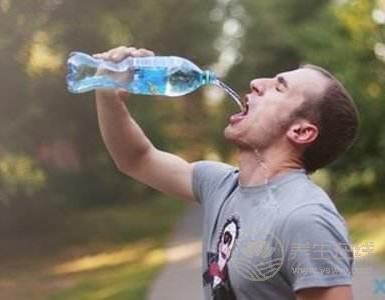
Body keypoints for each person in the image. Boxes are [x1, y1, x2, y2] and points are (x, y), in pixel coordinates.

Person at [93, 46, 359, 300]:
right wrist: (107, 94)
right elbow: (137, 158)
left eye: (279, 87)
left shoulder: (306, 220)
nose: (256, 82)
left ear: (300, 132)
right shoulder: (221, 185)